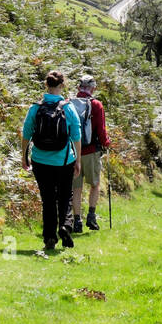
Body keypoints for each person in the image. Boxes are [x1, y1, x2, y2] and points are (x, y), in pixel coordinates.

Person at [21, 71, 82, 251]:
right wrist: (77, 160)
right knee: (65, 196)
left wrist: (23, 156)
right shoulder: (68, 108)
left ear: (46, 85)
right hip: (64, 161)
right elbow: (76, 136)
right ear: (62, 85)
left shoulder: (35, 108)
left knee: (47, 199)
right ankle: (65, 226)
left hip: (40, 161)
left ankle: (49, 237)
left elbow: (26, 134)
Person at [67, 75, 110, 234]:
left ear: (79, 88)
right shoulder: (96, 105)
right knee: (95, 184)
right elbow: (101, 130)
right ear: (93, 88)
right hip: (91, 151)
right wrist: (106, 143)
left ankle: (77, 220)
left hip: (73, 153)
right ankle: (91, 216)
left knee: (76, 188)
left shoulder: (69, 103)